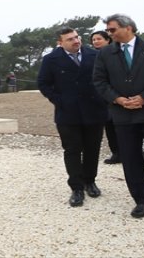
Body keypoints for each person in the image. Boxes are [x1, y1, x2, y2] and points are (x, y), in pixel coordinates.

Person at [92, 14, 144, 219]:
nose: (109, 34)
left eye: (112, 29)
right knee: (130, 158)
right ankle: (143, 201)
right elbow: (100, 81)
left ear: (128, 28)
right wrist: (117, 99)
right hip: (123, 113)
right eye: (108, 30)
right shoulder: (105, 54)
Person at [37, 28, 108, 206]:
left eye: (77, 37)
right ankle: (76, 187)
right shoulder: (51, 60)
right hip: (68, 113)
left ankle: (90, 181)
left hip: (94, 111)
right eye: (70, 39)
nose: (76, 41)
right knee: (72, 150)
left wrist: (102, 98)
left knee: (92, 148)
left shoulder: (95, 55)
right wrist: (59, 100)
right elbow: (43, 83)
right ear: (60, 43)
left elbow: (106, 78)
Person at [91, 29, 122, 164]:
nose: (96, 41)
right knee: (109, 126)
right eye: (93, 40)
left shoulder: (116, 53)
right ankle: (116, 152)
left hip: (117, 94)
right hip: (100, 97)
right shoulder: (91, 55)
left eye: (99, 39)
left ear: (107, 40)